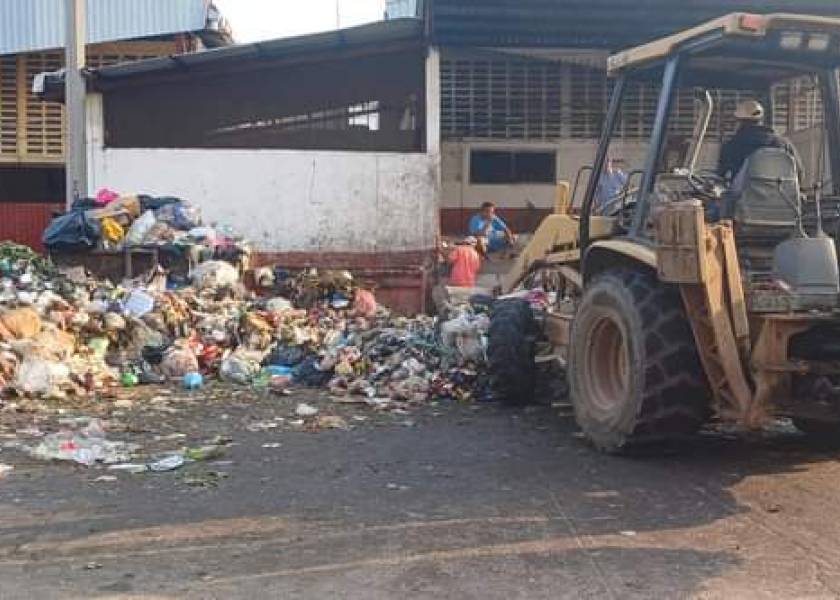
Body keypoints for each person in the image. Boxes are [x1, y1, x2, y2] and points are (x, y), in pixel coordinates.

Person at [718, 99, 803, 181]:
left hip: (745, 195)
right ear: (761, 120)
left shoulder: (731, 147)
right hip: (781, 194)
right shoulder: (783, 144)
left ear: (739, 122)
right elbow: (799, 173)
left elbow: (721, 175)